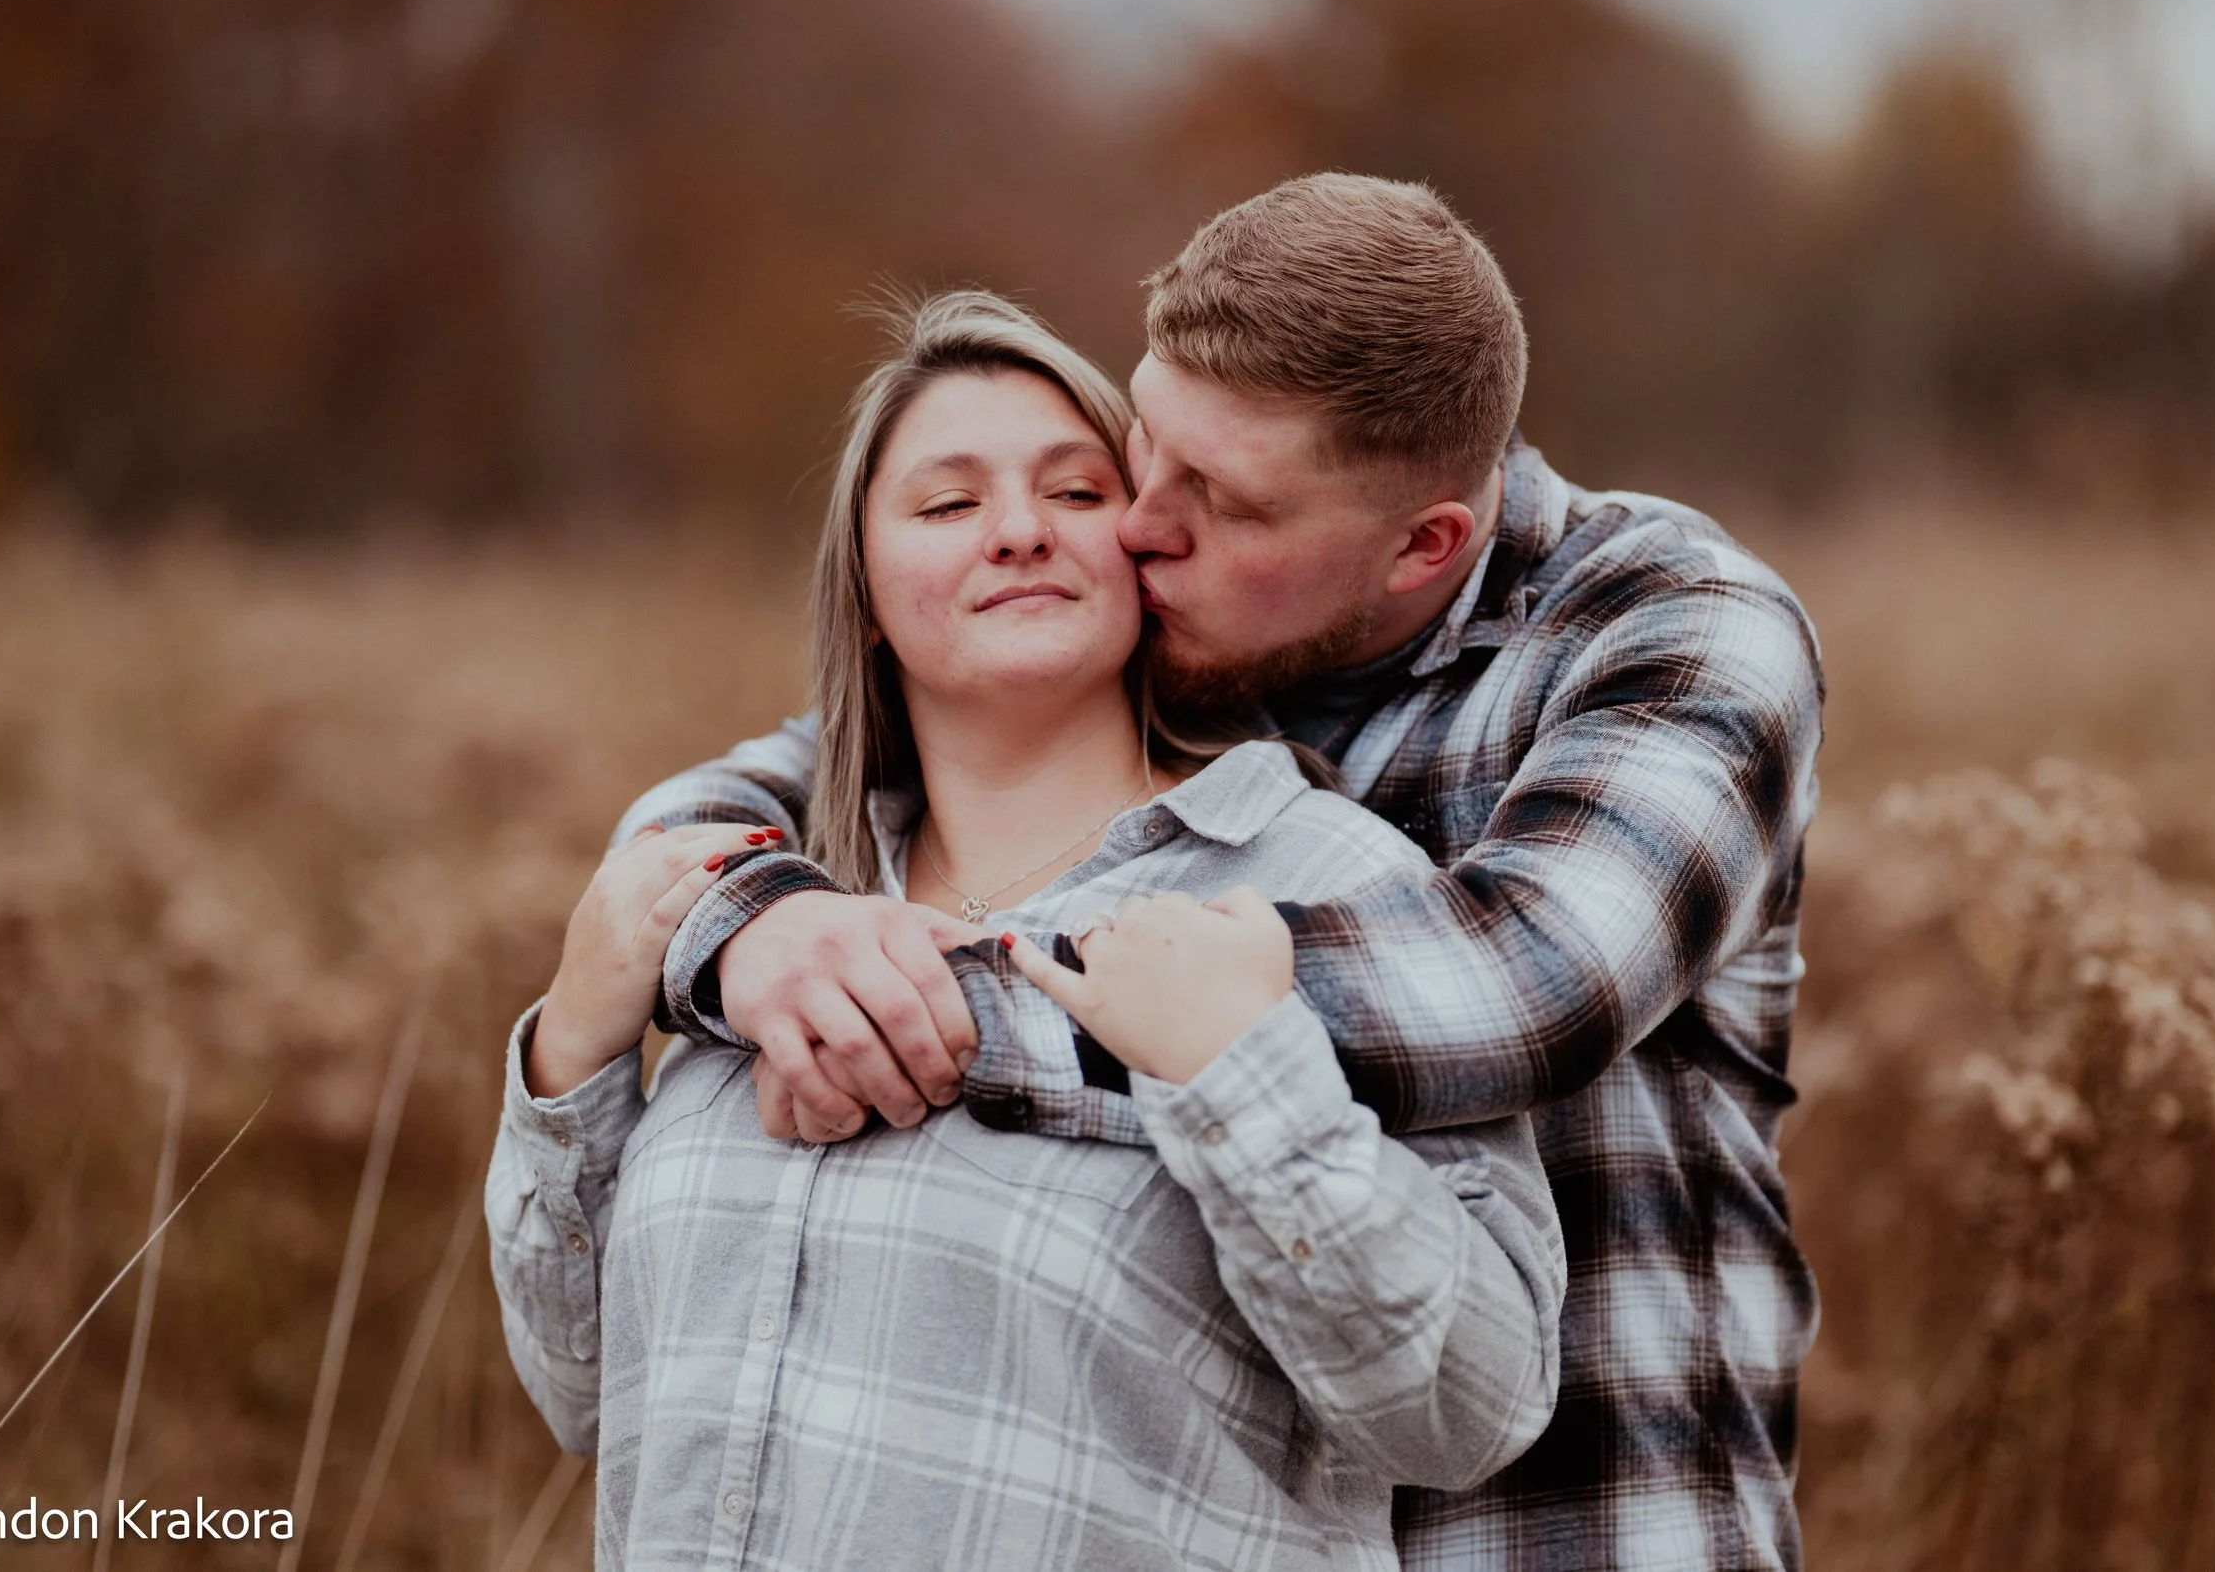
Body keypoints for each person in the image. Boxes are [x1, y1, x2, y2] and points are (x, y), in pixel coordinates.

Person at [628, 175, 1827, 1571]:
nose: (1138, 525)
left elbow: (1517, 988)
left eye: (1227, 502)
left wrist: (896, 1009)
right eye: (1147, 449)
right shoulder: (1197, 626)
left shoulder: (1674, 630)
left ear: (1421, 545)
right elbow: (818, 764)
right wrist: (746, 923)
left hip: (1586, 1520)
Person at [487, 290, 1565, 1571]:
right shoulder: (761, 910)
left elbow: (1473, 1409)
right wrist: (568, 1053)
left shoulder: (1320, 878)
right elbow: (589, 1396)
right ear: (869, 595)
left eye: (1072, 492)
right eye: (947, 504)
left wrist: (1244, 1081)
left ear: (1150, 550)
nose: (1014, 533)